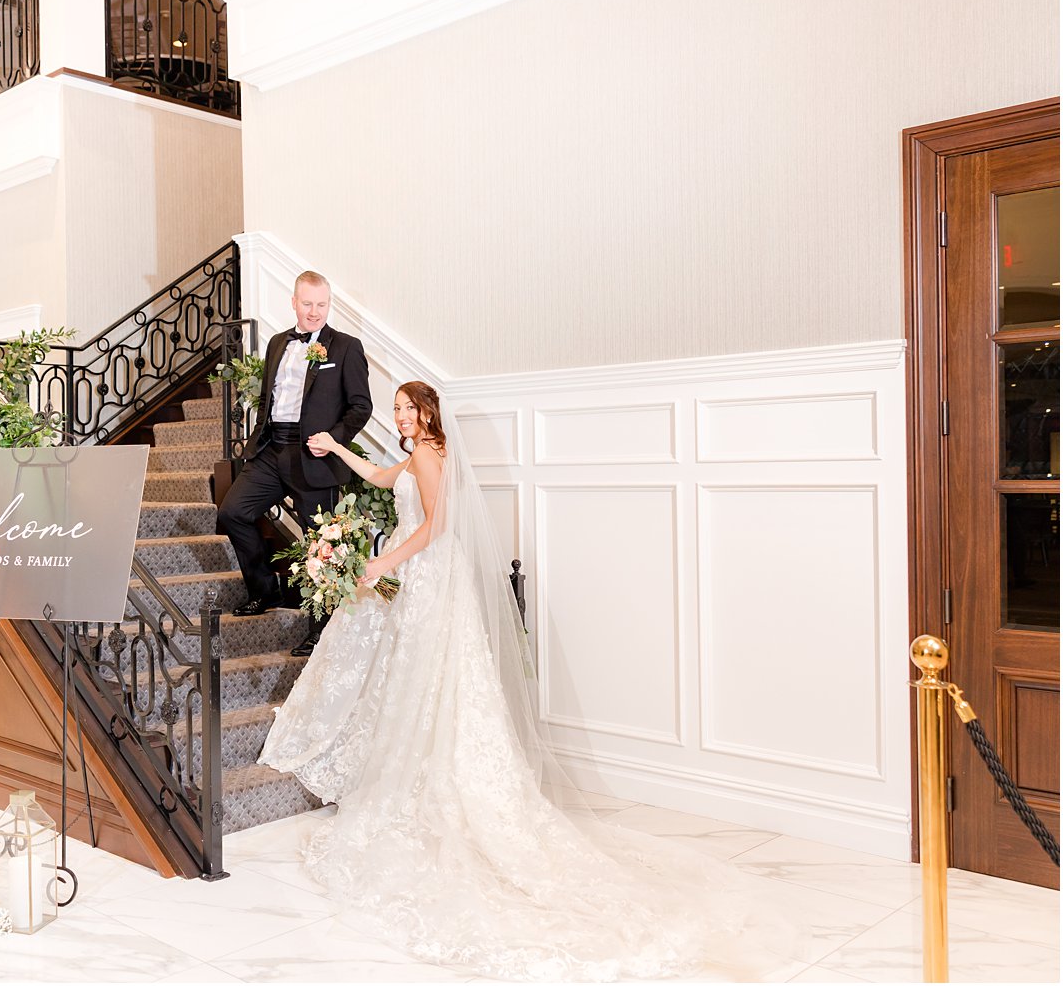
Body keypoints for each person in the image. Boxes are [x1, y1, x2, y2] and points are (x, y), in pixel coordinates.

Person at [259, 381, 794, 982]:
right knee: (421, 679)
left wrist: (384, 561)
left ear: (427, 412)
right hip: (427, 578)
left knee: (435, 677)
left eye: (408, 408)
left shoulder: (432, 456)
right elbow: (386, 479)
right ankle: (418, 764)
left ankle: (437, 776)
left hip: (431, 574)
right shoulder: (416, 454)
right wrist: (340, 450)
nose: (400, 415)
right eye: (398, 409)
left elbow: (433, 528)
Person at [217, 270, 372, 655]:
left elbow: (360, 406)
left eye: (322, 304)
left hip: (314, 456)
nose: (315, 311)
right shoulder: (276, 343)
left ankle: (321, 628)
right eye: (308, 304)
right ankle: (265, 590)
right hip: (272, 451)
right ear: (294, 302)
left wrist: (334, 439)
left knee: (322, 543)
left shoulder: (346, 347)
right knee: (233, 511)